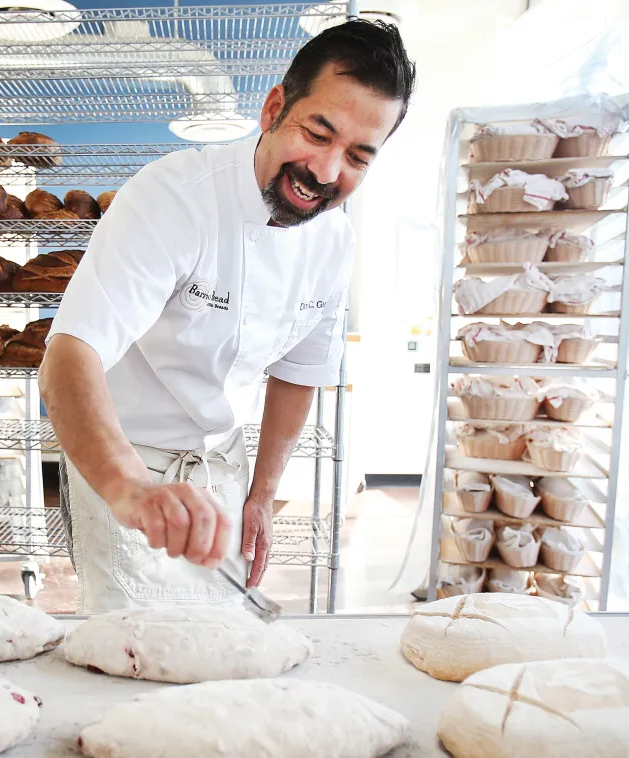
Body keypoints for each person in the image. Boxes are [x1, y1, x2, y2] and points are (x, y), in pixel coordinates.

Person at [40, 19, 416, 614]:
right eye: (318, 133)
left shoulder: (334, 240)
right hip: (128, 461)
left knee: (222, 639)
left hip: (226, 465)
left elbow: (299, 369)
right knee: (135, 648)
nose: (325, 171)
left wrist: (263, 494)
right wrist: (129, 488)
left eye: (357, 157)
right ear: (273, 109)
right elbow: (70, 351)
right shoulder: (173, 197)